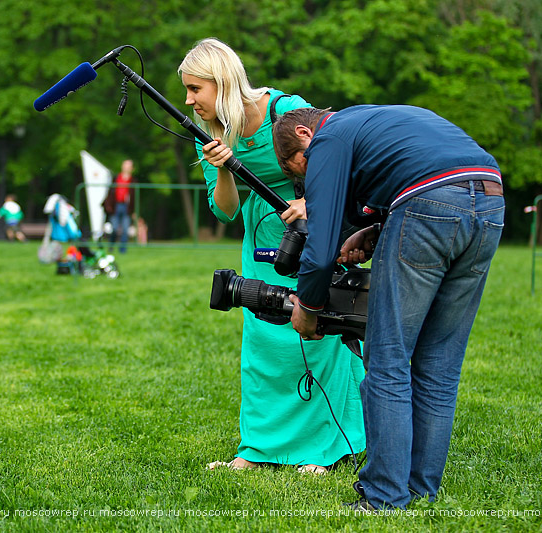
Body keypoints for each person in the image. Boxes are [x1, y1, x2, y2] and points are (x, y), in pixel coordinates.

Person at [273, 105, 504, 510]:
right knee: (440, 365)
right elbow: (412, 172)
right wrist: (375, 228)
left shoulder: (329, 138)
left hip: (429, 201)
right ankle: (419, 491)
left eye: (300, 170)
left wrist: (307, 308)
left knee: (387, 360)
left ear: (305, 136)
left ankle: (383, 497)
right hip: (489, 201)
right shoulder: (372, 120)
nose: (304, 179)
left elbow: (322, 249)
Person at [179, 38, 365, 472]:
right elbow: (224, 210)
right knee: (264, 339)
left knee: (318, 328)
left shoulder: (284, 110)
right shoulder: (207, 133)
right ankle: (259, 448)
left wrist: (313, 205)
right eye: (186, 91)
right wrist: (223, 165)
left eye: (196, 89)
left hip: (311, 224)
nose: (189, 100)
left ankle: (326, 447)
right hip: (261, 233)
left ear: (222, 82)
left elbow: (336, 163)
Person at [103, 159, 135, 252]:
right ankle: (111, 247)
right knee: (115, 229)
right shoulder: (116, 178)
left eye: (128, 166)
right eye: (125, 165)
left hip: (127, 207)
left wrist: (133, 210)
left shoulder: (133, 181)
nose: (126, 168)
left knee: (125, 229)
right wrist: (108, 205)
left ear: (132, 168)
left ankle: (122, 250)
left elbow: (134, 197)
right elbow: (110, 193)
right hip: (116, 206)